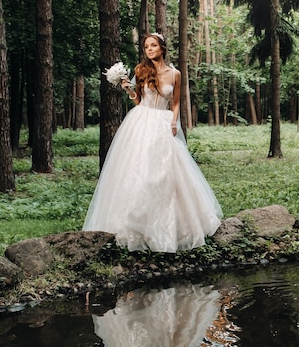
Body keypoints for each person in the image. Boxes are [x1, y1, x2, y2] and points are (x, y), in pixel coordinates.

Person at [83, 32, 223, 253]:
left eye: (153, 45)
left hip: (163, 121)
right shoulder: (141, 70)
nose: (149, 49)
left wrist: (175, 121)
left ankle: (172, 228)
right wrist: (128, 89)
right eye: (146, 46)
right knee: (139, 169)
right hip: (141, 119)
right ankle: (135, 225)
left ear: (162, 48)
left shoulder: (174, 74)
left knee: (166, 172)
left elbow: (175, 102)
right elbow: (139, 99)